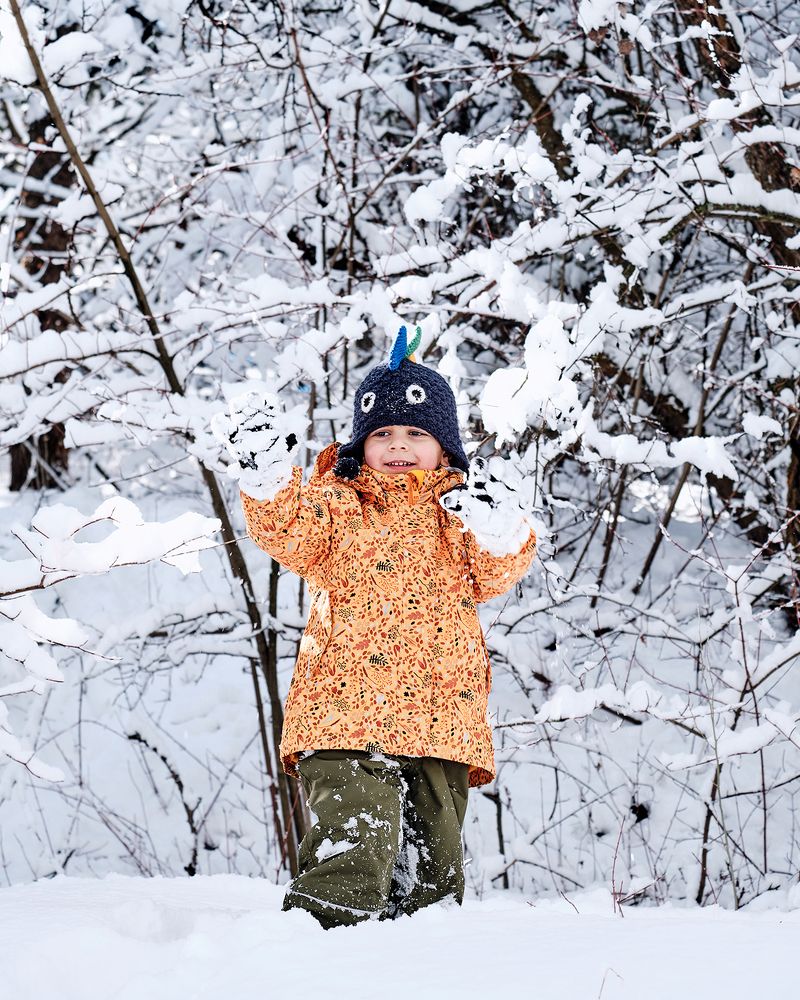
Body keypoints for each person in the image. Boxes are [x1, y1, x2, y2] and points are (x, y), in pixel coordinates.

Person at [213, 325, 536, 928]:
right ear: (361, 444)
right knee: (357, 852)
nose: (398, 446)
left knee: (434, 881)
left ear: (445, 447)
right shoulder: (339, 505)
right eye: (382, 433)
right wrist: (269, 481)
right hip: (344, 717)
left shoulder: (460, 513)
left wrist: (503, 531)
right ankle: (313, 952)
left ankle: (412, 970)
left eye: (416, 433)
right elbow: (289, 529)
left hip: (441, 724)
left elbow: (495, 572)